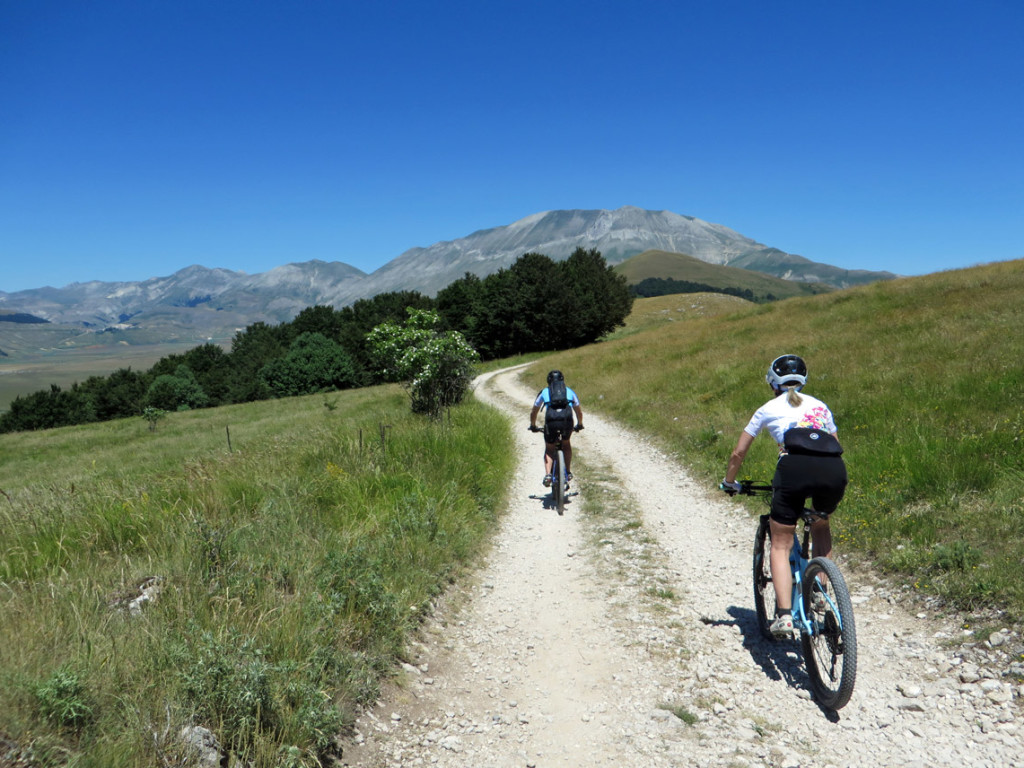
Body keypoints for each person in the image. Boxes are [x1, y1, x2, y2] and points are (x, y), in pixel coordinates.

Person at [721, 354, 847, 638]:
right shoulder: (820, 405)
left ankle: (784, 616)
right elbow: (835, 445)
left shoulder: (767, 408)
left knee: (780, 542)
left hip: (792, 470)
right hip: (833, 470)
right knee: (820, 524)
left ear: (772, 383)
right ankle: (820, 591)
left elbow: (738, 452)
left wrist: (730, 482)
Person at [529, 370, 583, 487]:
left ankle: (548, 475)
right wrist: (579, 424)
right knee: (566, 444)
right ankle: (567, 472)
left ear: (548, 381)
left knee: (549, 448)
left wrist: (533, 425)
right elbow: (578, 410)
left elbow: (534, 411)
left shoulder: (544, 391)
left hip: (551, 422)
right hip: (566, 421)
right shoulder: (568, 391)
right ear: (562, 379)